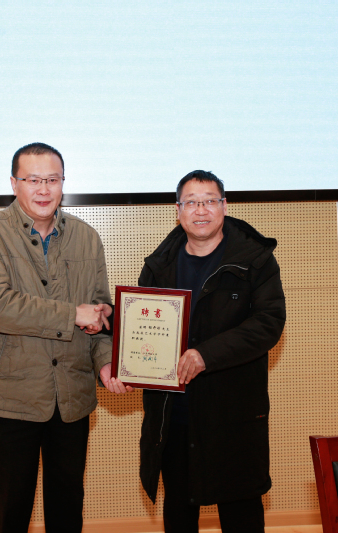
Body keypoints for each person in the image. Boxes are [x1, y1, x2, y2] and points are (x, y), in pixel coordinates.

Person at [0, 142, 121, 533]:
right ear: (14, 184)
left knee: (67, 513)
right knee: (8, 515)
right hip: (10, 400)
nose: (43, 189)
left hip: (72, 398)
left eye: (52, 180)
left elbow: (100, 312)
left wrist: (106, 363)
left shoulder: (87, 238)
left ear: (63, 183)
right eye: (32, 180)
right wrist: (72, 314)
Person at [135, 170, 286, 533]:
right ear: (178, 210)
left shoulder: (255, 260)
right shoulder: (158, 265)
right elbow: (143, 330)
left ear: (224, 206)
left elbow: (268, 322)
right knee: (179, 512)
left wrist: (206, 354)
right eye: (191, 202)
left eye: (209, 201)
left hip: (232, 413)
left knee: (241, 514)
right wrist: (129, 363)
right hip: (175, 414)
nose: (200, 210)